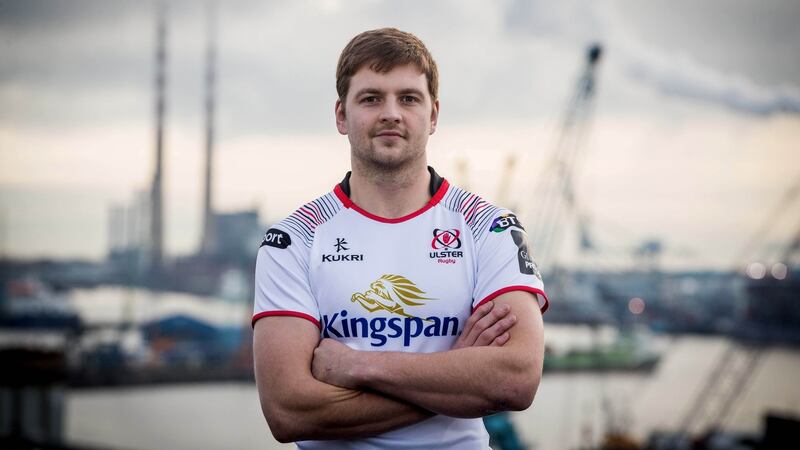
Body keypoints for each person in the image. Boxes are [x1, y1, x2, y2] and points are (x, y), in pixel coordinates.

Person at [252, 27, 548, 449]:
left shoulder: (491, 227)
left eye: (408, 98)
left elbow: (516, 381)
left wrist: (358, 366)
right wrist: (457, 376)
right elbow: (288, 411)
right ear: (341, 115)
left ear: (433, 116)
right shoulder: (293, 240)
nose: (391, 113)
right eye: (371, 98)